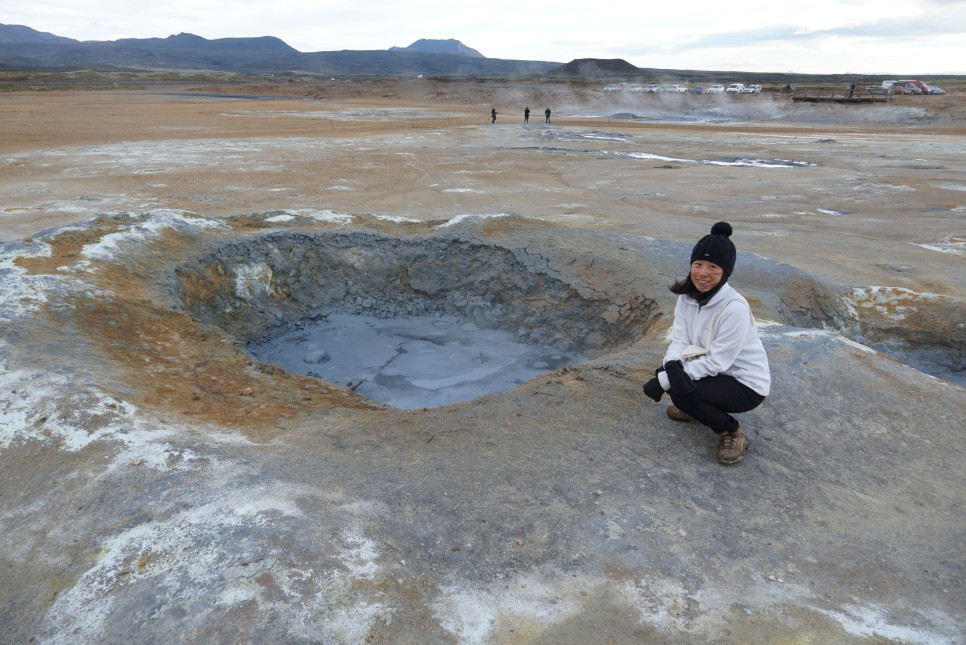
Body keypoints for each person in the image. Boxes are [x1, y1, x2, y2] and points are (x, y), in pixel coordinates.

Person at [642, 222, 770, 465]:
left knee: (680, 391)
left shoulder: (734, 309)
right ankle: (695, 406)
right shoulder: (687, 298)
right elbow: (680, 339)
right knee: (674, 381)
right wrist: (670, 367)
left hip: (745, 383)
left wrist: (666, 379)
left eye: (713, 267)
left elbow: (719, 361)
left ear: (725, 272)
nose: (703, 273)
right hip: (714, 371)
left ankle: (731, 431)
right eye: (698, 264)